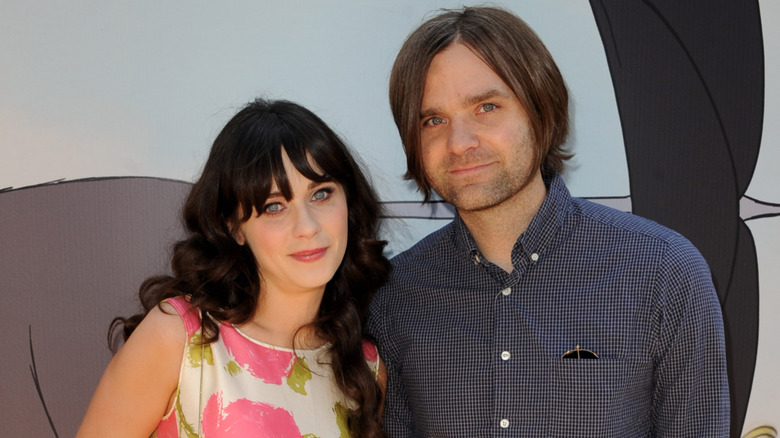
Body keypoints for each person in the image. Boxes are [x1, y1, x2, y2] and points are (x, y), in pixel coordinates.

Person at [367, 6, 729, 437]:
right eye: (434, 120)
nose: (459, 143)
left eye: (486, 107)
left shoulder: (662, 271)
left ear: (541, 112)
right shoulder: (397, 297)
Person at [77, 98, 390, 437]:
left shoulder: (365, 369)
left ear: (349, 199)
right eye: (274, 206)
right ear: (235, 227)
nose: (308, 226)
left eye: (321, 194)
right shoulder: (178, 338)